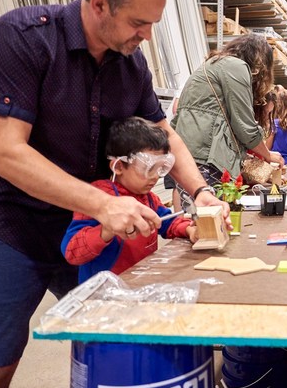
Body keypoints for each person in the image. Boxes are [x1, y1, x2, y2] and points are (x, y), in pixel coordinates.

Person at [0, 0, 228, 388]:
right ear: (99, 4)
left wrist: (200, 192)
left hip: (80, 224)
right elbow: (4, 153)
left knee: (116, 333)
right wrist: (102, 206)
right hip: (4, 225)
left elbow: (166, 135)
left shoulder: (131, 64)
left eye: (154, 24)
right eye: (139, 23)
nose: (147, 35)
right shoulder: (20, 40)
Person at [62, 118, 199, 283]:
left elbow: (168, 222)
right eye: (148, 168)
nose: (155, 177)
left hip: (140, 283)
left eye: (160, 168)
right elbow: (72, 252)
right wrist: (106, 230)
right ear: (118, 166)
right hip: (104, 293)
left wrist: (189, 230)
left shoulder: (149, 198)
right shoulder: (97, 199)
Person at [171, 33, 285, 197]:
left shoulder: (215, 64)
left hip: (190, 150)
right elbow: (244, 125)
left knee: (192, 217)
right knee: (207, 217)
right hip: (206, 153)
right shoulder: (235, 66)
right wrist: (268, 155)